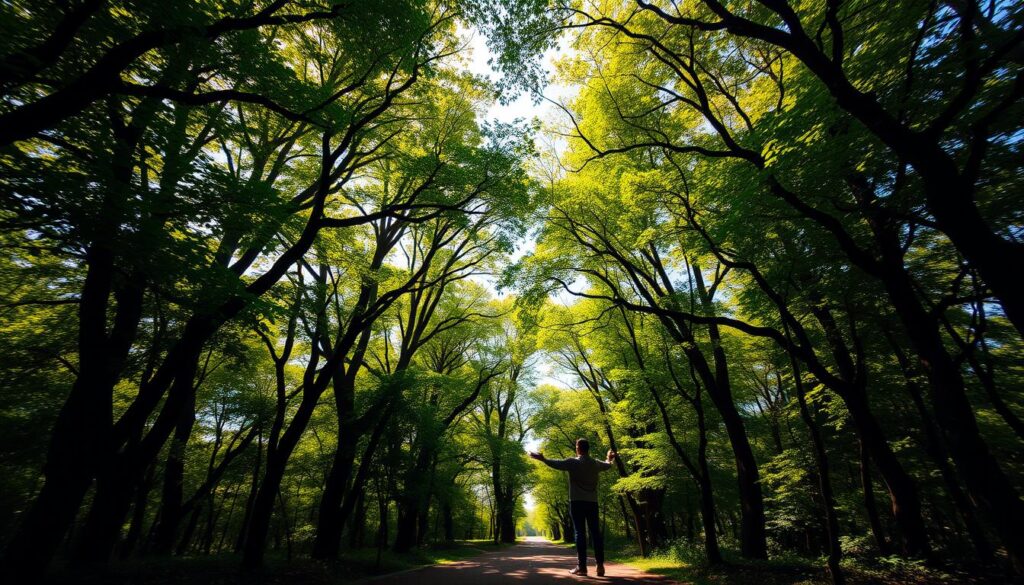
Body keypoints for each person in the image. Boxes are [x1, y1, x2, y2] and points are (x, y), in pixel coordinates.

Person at [529, 438, 616, 577]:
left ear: (578, 448)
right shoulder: (595, 463)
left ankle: (582, 568)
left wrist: (543, 459)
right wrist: (609, 458)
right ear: (588, 449)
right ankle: (600, 566)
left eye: (576, 446)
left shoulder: (573, 462)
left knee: (580, 533)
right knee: (596, 534)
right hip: (592, 503)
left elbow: (556, 463)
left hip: (576, 502)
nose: (576, 448)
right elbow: (608, 465)